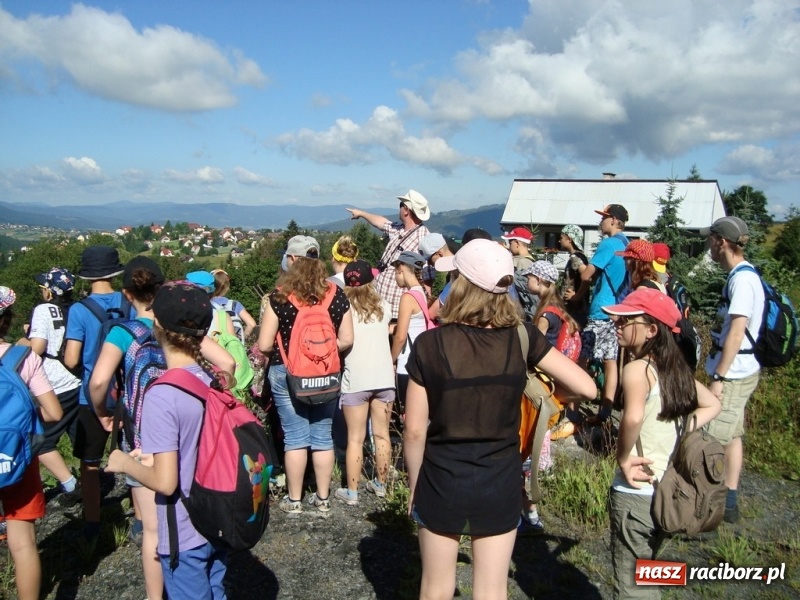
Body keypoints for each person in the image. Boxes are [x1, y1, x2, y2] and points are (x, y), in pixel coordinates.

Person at [403, 240, 596, 600]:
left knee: (434, 587)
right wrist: (551, 396)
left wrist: (416, 487)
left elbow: (414, 430)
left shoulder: (431, 344)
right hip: (500, 478)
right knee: (492, 589)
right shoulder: (522, 337)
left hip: (442, 477)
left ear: (461, 283)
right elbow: (586, 387)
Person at [105, 281, 229, 600]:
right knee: (216, 588)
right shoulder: (212, 379)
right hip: (217, 516)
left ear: (156, 323)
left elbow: (164, 482)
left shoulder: (161, 395)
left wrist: (126, 463)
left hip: (184, 530)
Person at [601, 288, 720, 599]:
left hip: (636, 493)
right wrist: (679, 428)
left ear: (652, 330)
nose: (618, 324)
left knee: (631, 584)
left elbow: (632, 418)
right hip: (666, 491)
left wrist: (623, 458)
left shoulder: (636, 370)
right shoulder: (675, 371)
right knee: (648, 573)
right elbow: (712, 405)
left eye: (627, 320)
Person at [258, 237, 354, 514]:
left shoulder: (278, 296)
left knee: (295, 436)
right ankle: (323, 500)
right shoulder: (336, 294)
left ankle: (295, 500)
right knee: (323, 435)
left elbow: (264, 344)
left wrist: (298, 354)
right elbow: (347, 339)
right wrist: (321, 354)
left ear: (291, 260)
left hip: (285, 372)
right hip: (326, 372)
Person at [0, 286, 63, 600]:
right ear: (8, 319)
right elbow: (53, 413)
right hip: (17, 456)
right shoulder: (23, 358)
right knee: (23, 542)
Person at [700, 216, 764, 523]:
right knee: (733, 434)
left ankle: (707, 508)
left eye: (710, 240)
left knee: (711, 439)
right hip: (740, 370)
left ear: (720, 242)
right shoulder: (742, 276)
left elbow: (737, 332)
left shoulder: (742, 280)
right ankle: (730, 503)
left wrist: (719, 378)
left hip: (734, 373)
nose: (708, 246)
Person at [63, 245, 128, 540]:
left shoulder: (79, 310)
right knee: (136, 454)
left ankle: (92, 522)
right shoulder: (128, 301)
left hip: (92, 395)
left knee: (90, 464)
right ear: (116, 272)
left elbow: (72, 359)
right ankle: (140, 517)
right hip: (129, 391)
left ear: (86, 277)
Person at [334, 260, 395, 505]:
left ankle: (352, 490)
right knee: (382, 435)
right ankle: (381, 483)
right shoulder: (383, 306)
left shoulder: (343, 308)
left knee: (355, 438)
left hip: (356, 379)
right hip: (383, 379)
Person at [19, 267, 82, 505]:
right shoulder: (76, 307)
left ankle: (71, 484)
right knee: (78, 437)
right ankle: (90, 480)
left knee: (41, 440)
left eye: (43, 287)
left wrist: (25, 337)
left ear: (50, 291)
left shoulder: (44, 310)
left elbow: (37, 348)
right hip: (76, 380)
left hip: (54, 383)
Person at [578, 204, 630, 425]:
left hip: (601, 310)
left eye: (604, 218)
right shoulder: (627, 243)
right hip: (618, 312)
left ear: (614, 220)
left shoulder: (608, 244)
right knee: (610, 362)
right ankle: (605, 412)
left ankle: (572, 407)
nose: (600, 222)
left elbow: (588, 275)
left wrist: (578, 294)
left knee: (582, 358)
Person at [346, 190, 431, 319]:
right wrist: (362, 214)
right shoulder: (399, 229)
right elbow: (381, 222)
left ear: (406, 210)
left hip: (398, 309)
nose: (399, 208)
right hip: (381, 302)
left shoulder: (423, 238)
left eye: (401, 205)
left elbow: (427, 277)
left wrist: (424, 310)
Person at [389, 251, 428, 422]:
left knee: (406, 417)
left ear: (402, 269)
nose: (396, 278)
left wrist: (390, 360)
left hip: (406, 365)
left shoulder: (408, 297)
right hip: (420, 361)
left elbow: (400, 337)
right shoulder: (422, 293)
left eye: (396, 273)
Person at [210, 269, 257, 341]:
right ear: (227, 287)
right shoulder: (234, 304)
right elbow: (252, 324)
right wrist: (242, 339)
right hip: (235, 348)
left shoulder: (207, 304)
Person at [559, 224, 589, 328]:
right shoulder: (579, 256)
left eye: (561, 237)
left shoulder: (575, 258)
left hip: (576, 309)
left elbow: (587, 277)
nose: (559, 241)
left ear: (569, 239)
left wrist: (576, 296)